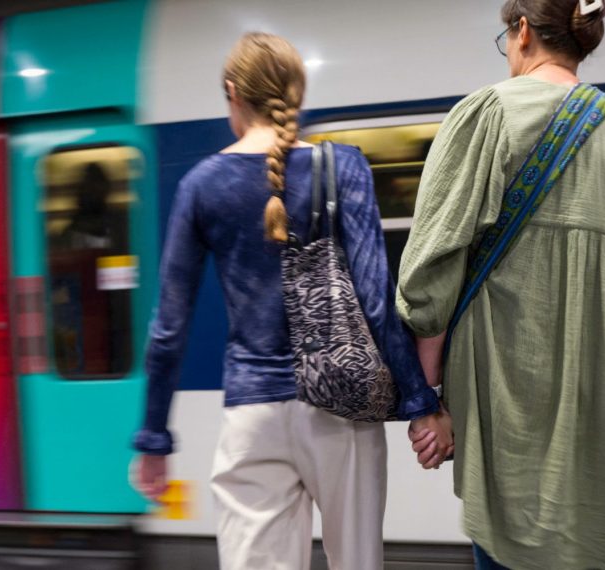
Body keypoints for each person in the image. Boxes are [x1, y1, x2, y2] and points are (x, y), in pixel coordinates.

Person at [396, 1, 605, 568]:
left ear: (520, 31)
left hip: (511, 421)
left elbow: (431, 278)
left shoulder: (487, 116)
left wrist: (430, 401)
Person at [129, 32, 451, 570]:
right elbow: (374, 298)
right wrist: (420, 404)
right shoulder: (343, 166)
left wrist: (155, 437)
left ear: (233, 93)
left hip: (252, 413)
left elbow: (169, 327)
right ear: (297, 92)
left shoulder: (201, 185)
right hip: (342, 410)